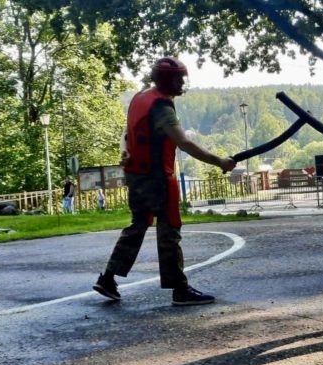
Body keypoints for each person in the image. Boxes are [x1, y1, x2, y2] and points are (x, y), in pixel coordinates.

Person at [93, 56, 236, 305]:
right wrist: (220, 162)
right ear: (168, 80)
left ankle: (108, 278)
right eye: (179, 77)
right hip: (157, 177)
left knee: (136, 227)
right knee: (169, 231)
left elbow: (127, 133)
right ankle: (179, 289)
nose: (182, 81)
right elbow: (185, 142)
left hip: (135, 176)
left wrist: (124, 150)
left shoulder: (140, 98)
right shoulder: (162, 107)